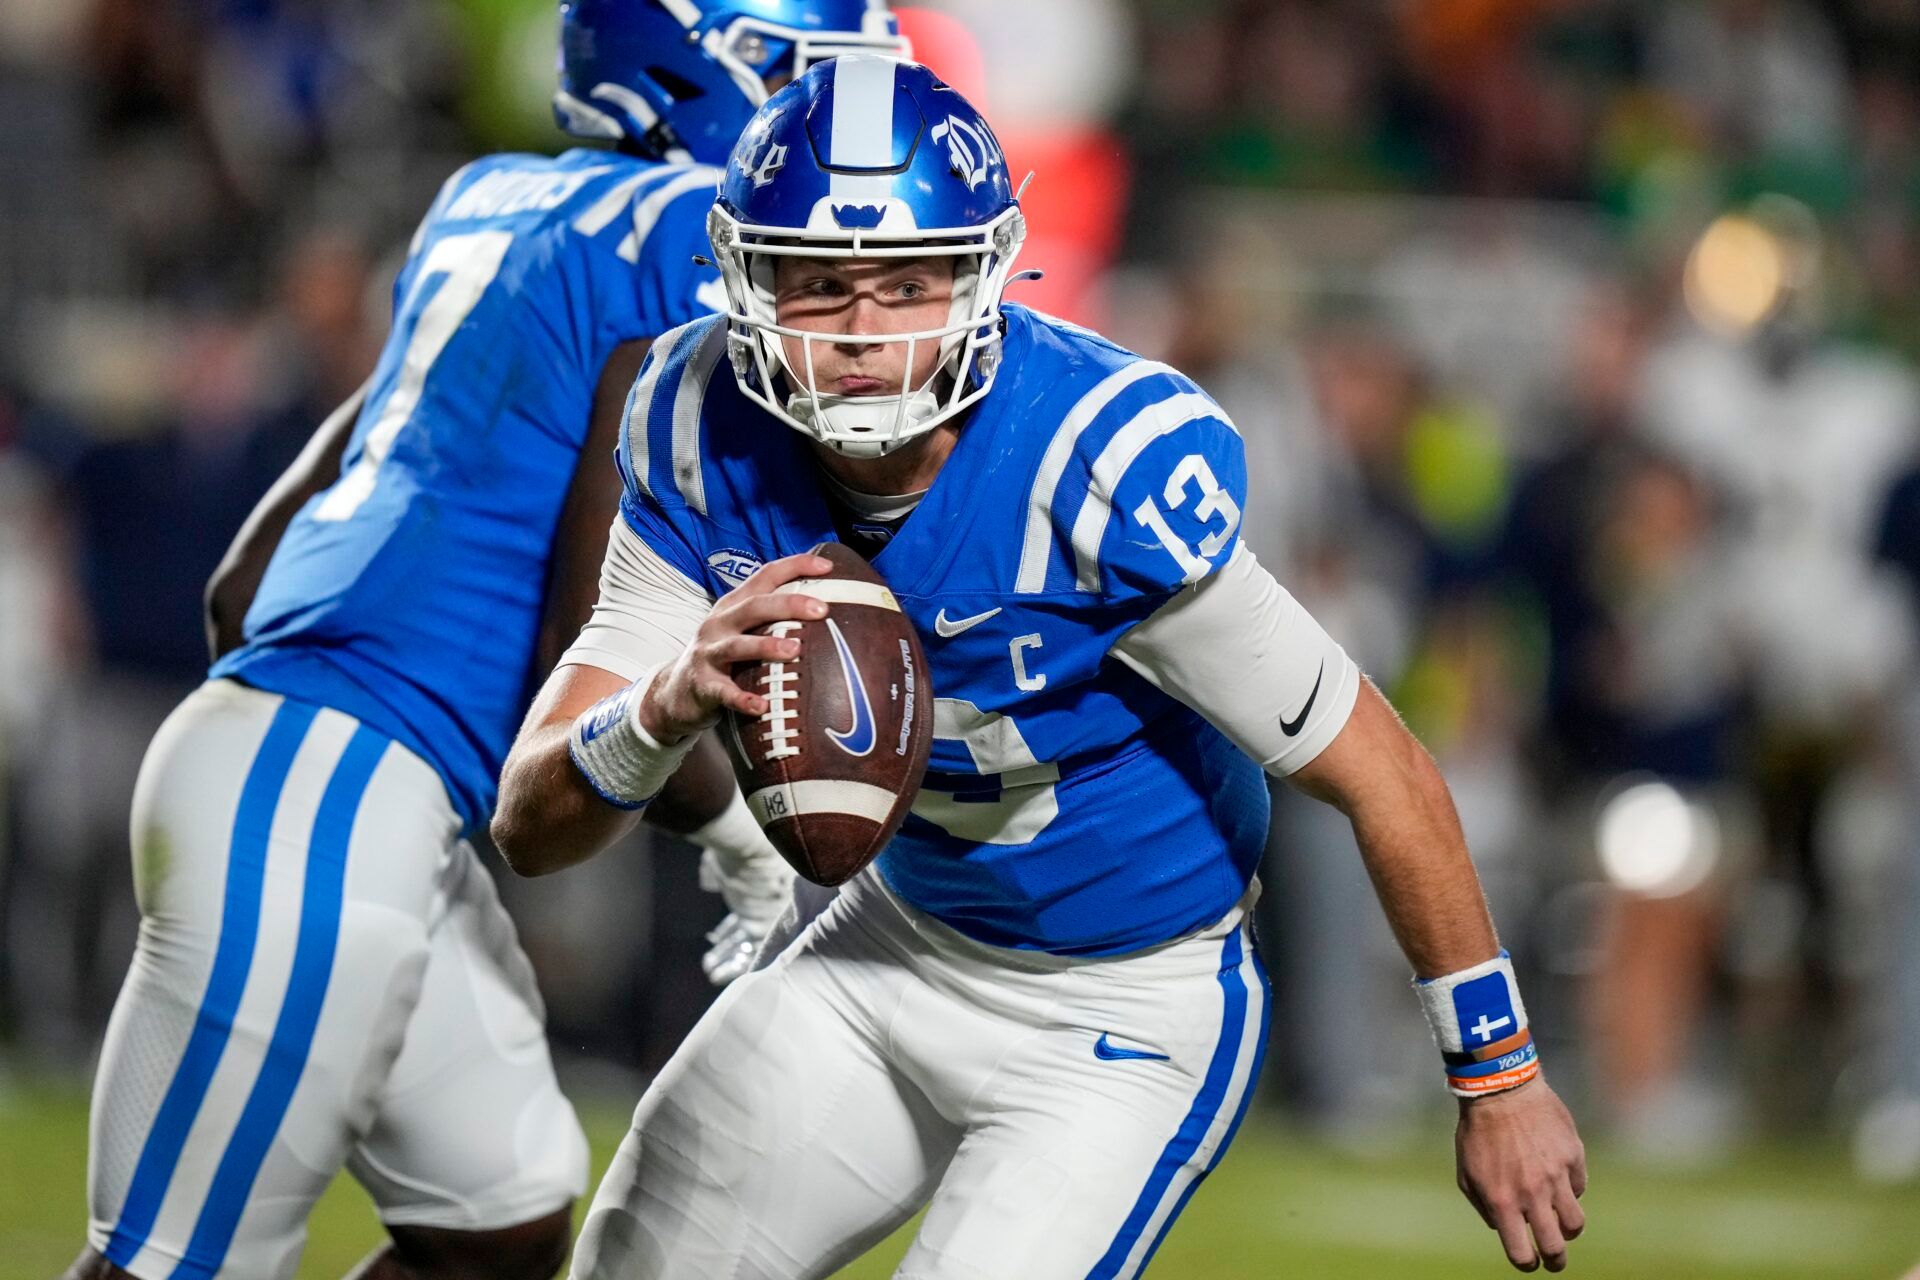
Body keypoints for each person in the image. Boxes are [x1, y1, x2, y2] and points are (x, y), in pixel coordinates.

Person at [497, 57, 1587, 1279]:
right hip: (889, 950)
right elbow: (532, 821)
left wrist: (1500, 1073)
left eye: (907, 285)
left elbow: (1383, 771)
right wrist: (656, 709)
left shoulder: (1095, 466)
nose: (863, 337)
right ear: (747, 280)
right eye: (818, 287)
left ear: (982, 279)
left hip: (1120, 1012)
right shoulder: (698, 428)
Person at [63, 6, 907, 1280]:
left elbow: (244, 580)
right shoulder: (697, 242)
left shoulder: (491, 197)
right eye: (812, 79)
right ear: (710, 69)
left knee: (495, 1221)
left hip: (305, 762)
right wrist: (742, 824)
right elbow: (600, 641)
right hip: (333, 789)